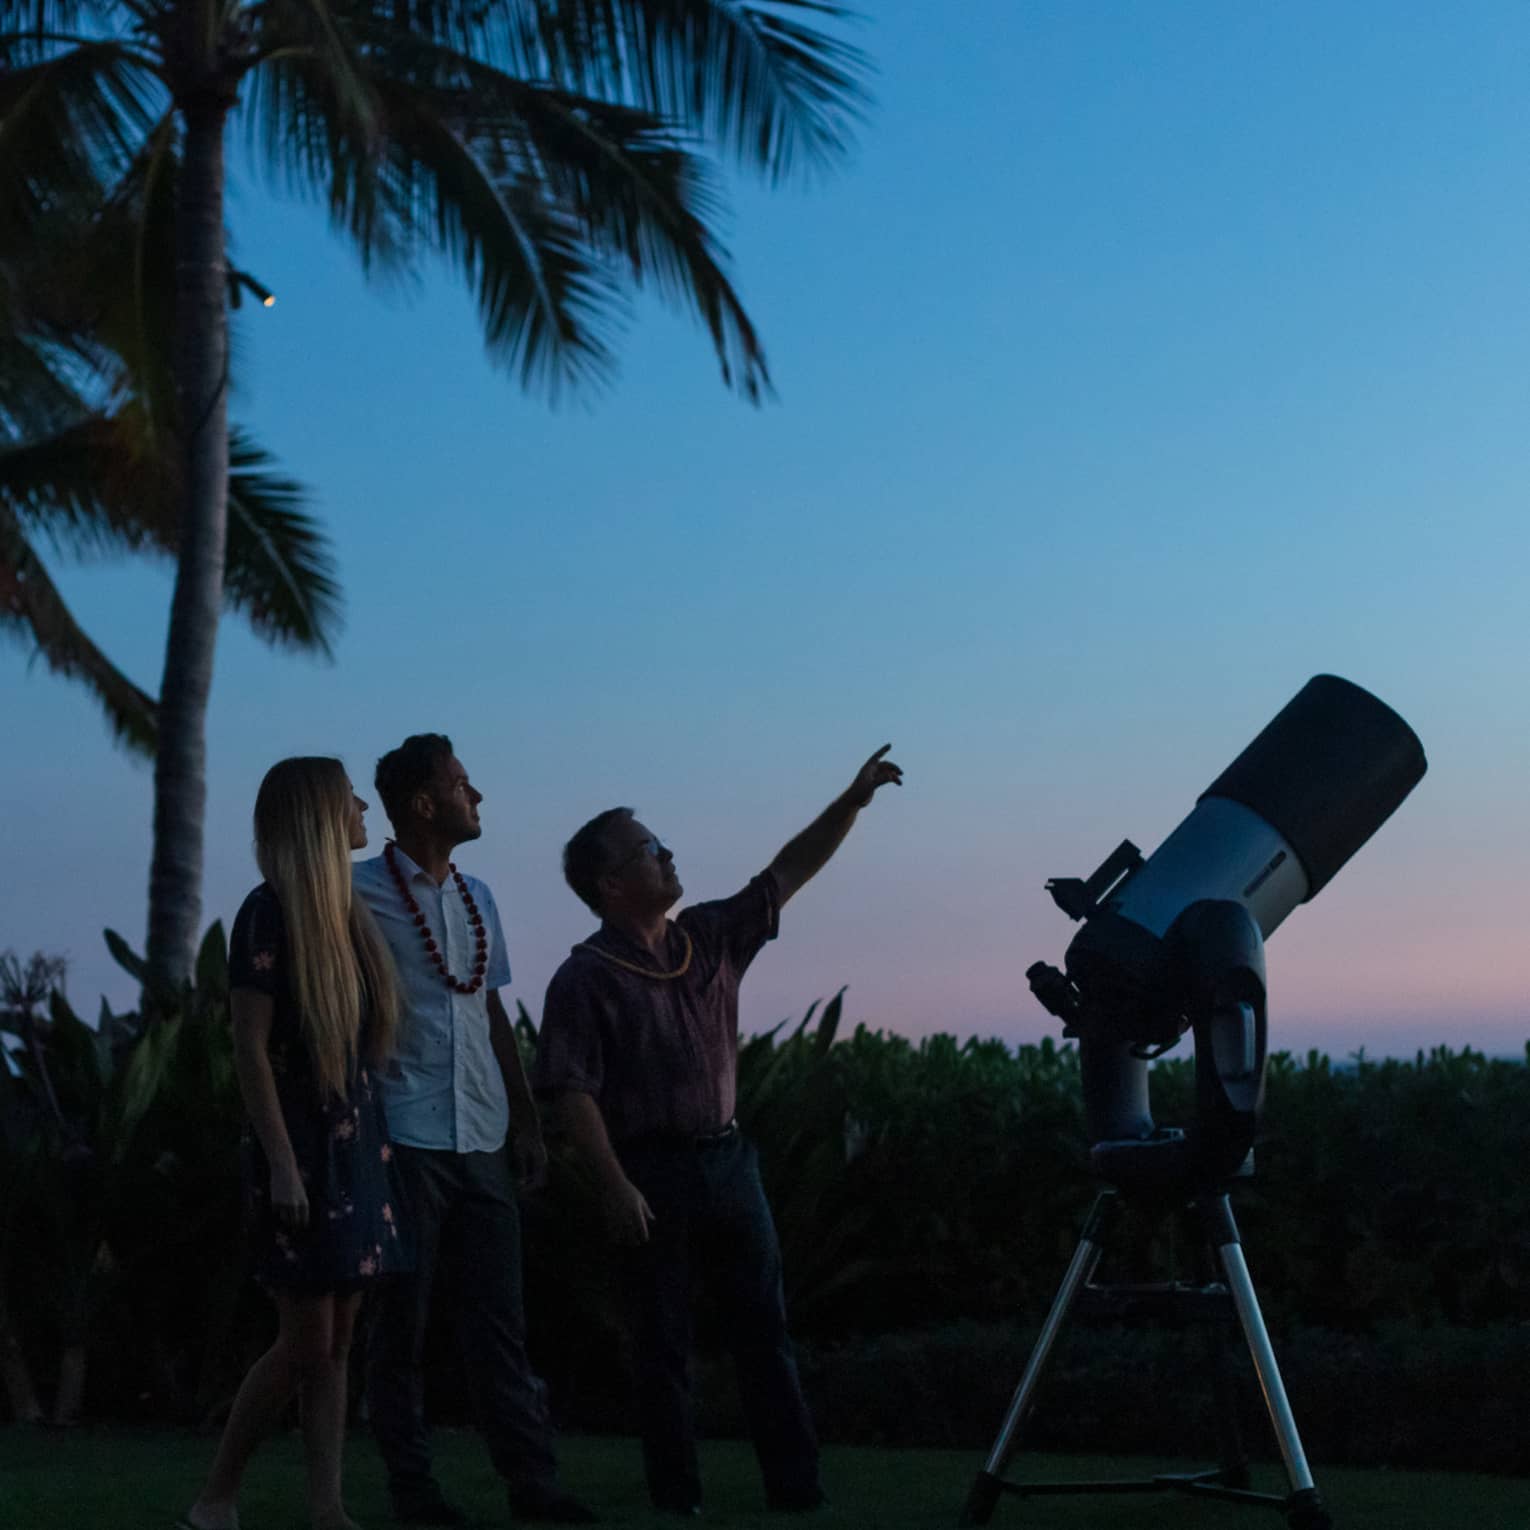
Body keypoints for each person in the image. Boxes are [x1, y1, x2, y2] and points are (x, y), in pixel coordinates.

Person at [534, 745, 904, 1516]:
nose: (667, 854)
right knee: (663, 1349)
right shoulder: (584, 978)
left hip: (730, 1166)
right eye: (648, 849)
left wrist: (853, 800)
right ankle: (677, 1499)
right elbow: (572, 1093)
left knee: (764, 1334)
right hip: (650, 1177)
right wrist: (615, 1186)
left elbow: (786, 874)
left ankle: (796, 1491)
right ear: (611, 884)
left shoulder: (708, 937)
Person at [355, 734, 594, 1527]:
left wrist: (526, 1122)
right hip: (404, 1133)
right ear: (425, 805)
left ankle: (535, 1485)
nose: (478, 797)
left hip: (482, 1135)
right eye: (463, 784)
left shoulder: (477, 896)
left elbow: (488, 1009)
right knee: (402, 1327)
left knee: (500, 1324)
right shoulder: (355, 894)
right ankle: (413, 1490)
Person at [182, 758, 408, 1530]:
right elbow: (250, 1049)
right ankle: (216, 1498)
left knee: (338, 1340)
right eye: (348, 797)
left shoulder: (347, 913)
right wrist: (281, 1163)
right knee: (305, 1343)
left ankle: (327, 1507)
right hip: (301, 1151)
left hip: (355, 1146)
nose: (360, 807)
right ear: (317, 814)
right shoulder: (267, 912)